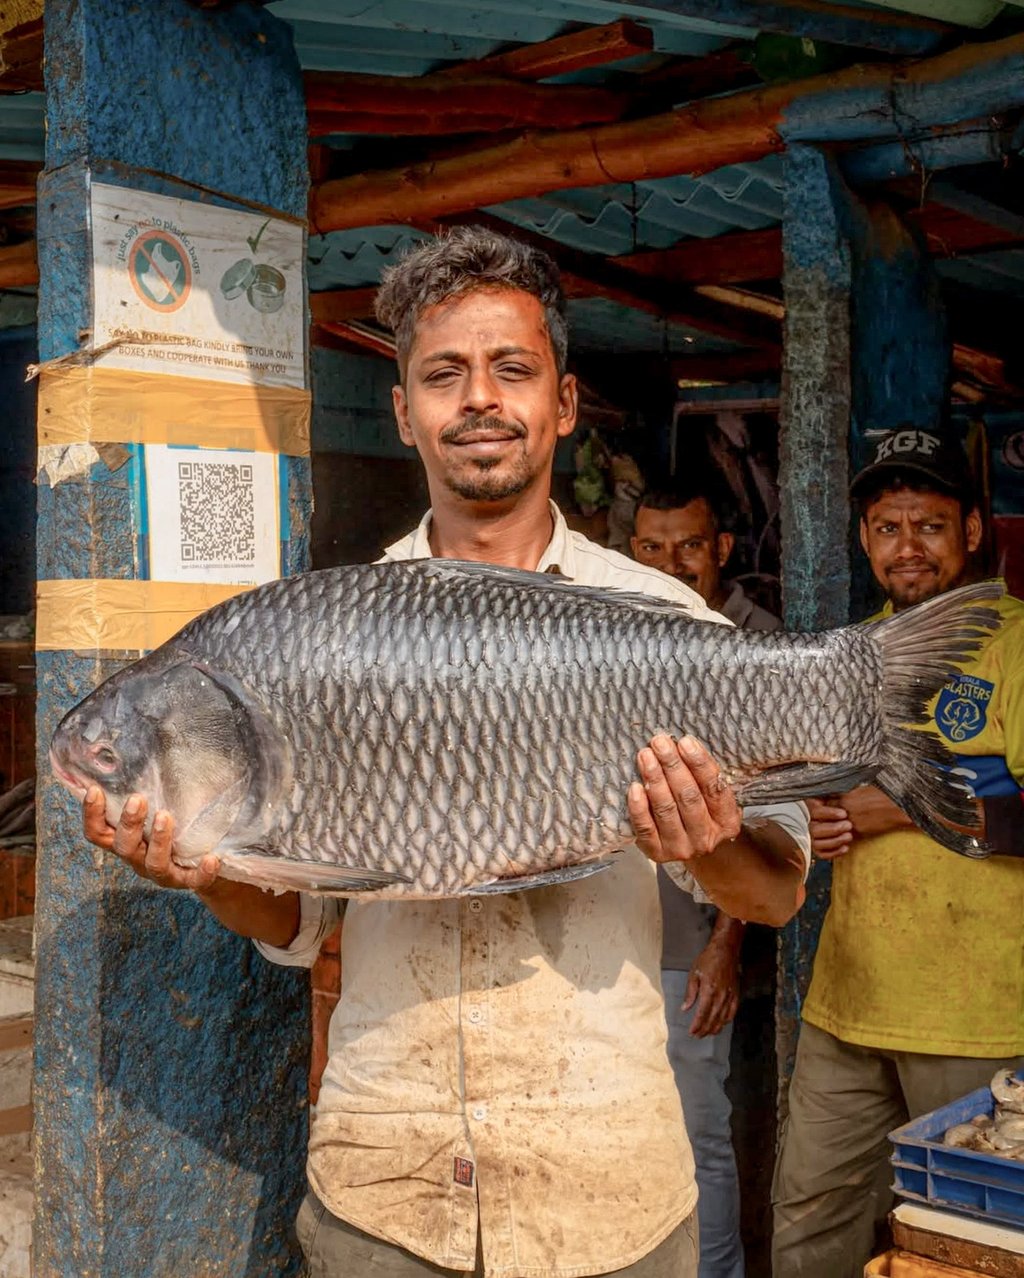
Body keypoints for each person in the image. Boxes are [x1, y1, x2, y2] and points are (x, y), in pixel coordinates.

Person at [82, 227, 810, 1278]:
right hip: (388, 1190)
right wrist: (208, 872)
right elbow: (297, 924)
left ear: (561, 404)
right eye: (444, 375)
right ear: (403, 412)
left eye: (511, 369)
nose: (479, 399)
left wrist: (705, 846)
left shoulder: (663, 619)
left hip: (603, 1193)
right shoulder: (326, 635)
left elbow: (776, 895)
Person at [772, 426, 1024, 1278]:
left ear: (975, 532)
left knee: (960, 1249)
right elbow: (809, 798)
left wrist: (894, 809)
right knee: (810, 1225)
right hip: (845, 1005)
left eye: (929, 525)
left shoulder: (1017, 643)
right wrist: (820, 819)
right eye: (887, 527)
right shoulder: (849, 659)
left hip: (979, 1021)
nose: (907, 547)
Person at [632, 486, 782, 1278]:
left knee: (699, 1132)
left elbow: (767, 819)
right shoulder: (621, 633)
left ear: (721, 547)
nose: (670, 564)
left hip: (694, 940)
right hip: (623, 934)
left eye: (686, 545)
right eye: (651, 549)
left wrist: (727, 945)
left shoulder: (754, 648)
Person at [632, 486, 781, 632]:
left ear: (722, 549)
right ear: (636, 553)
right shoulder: (623, 627)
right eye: (651, 548)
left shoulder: (767, 636)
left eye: (690, 545)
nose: (671, 567)